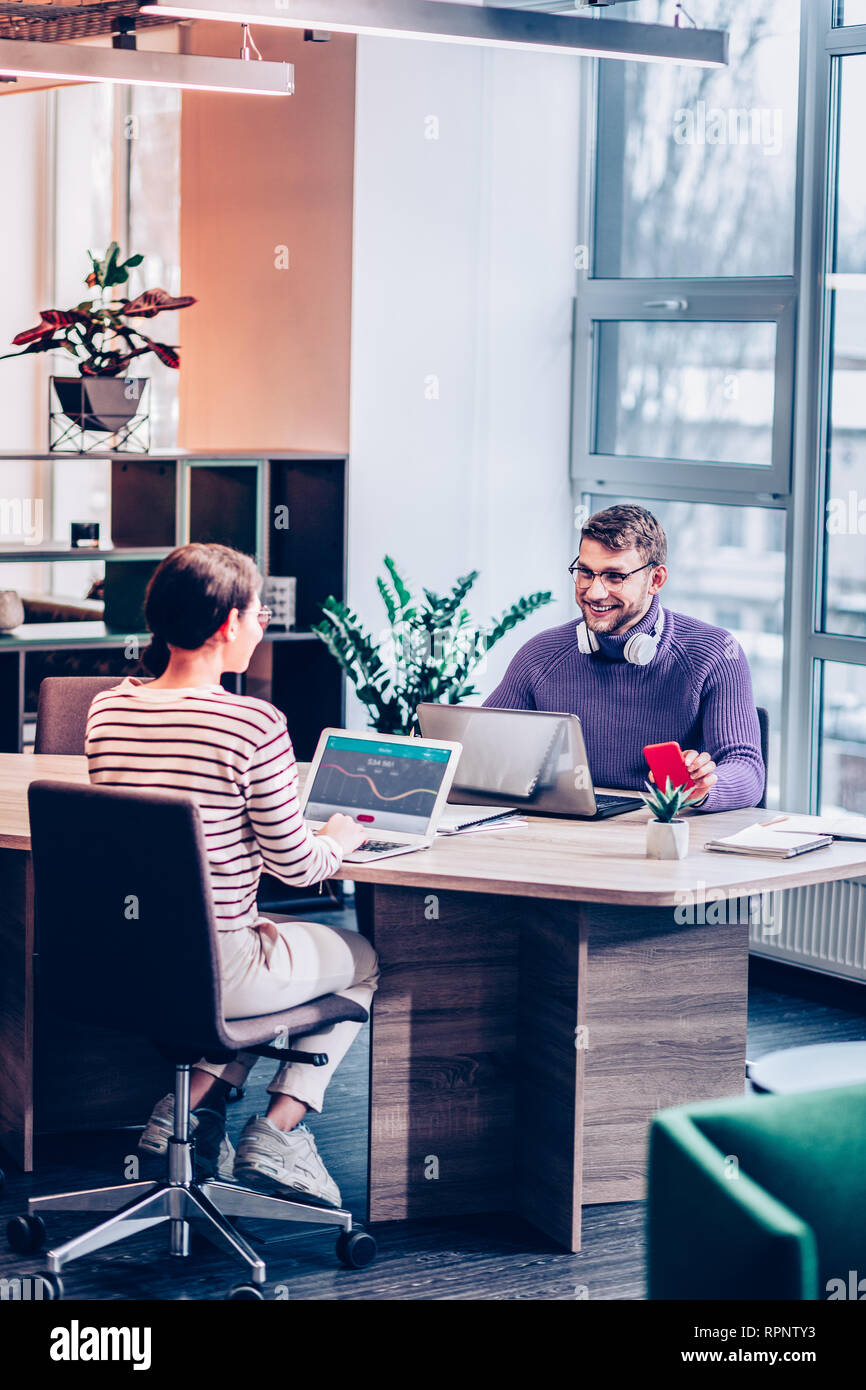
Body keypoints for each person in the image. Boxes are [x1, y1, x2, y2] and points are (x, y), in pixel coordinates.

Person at [84, 542, 377, 1208]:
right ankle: (279, 1130)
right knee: (360, 958)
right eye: (256, 612)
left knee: (261, 941)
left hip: (125, 961)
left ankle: (182, 1111)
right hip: (221, 968)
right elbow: (297, 866)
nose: (263, 625)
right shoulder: (253, 723)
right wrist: (335, 838)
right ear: (225, 626)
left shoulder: (108, 710)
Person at [483, 503, 764, 811]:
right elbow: (481, 750)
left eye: (615, 577)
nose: (594, 592)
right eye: (586, 573)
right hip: (561, 835)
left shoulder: (714, 653)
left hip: (660, 834)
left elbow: (746, 768)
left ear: (656, 580)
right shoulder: (542, 655)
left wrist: (705, 789)